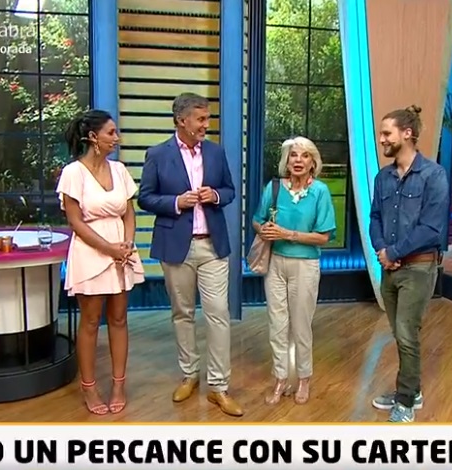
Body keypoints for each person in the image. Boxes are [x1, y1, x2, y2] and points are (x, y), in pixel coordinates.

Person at [137, 92, 243, 417]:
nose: (206, 125)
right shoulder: (157, 154)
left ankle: (219, 386)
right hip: (175, 245)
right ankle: (189, 374)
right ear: (181, 120)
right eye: (201, 119)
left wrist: (216, 195)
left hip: (212, 245)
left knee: (218, 313)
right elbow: (145, 198)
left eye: (207, 118)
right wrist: (175, 202)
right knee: (182, 313)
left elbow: (230, 190)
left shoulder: (215, 152)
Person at [56, 109, 145, 415]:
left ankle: (119, 385)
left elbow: (129, 213)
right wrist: (109, 249)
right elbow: (75, 222)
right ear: (93, 137)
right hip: (91, 251)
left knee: (119, 319)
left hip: (121, 251)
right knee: (91, 321)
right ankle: (89, 387)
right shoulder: (73, 173)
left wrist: (127, 244)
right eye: (111, 133)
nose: (116, 138)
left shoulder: (119, 170)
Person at [368, 105, 449, 423]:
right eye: (381, 134)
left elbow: (431, 228)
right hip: (390, 268)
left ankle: (405, 401)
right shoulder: (383, 177)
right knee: (400, 333)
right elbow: (375, 217)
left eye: (386, 133)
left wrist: (394, 251)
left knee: (406, 333)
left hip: (419, 267)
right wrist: (382, 250)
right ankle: (410, 390)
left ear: (407, 133)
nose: (382, 139)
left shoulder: (434, 175)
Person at [252, 137, 336, 405]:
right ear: (286, 161)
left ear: (313, 162)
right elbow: (257, 220)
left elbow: (323, 236)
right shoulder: (274, 187)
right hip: (275, 263)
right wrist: (264, 230)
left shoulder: (320, 191)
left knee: (301, 325)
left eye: (304, 156)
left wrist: (288, 234)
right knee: (277, 324)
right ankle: (280, 378)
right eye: (293, 155)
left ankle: (303, 379)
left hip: (305, 266)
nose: (298, 160)